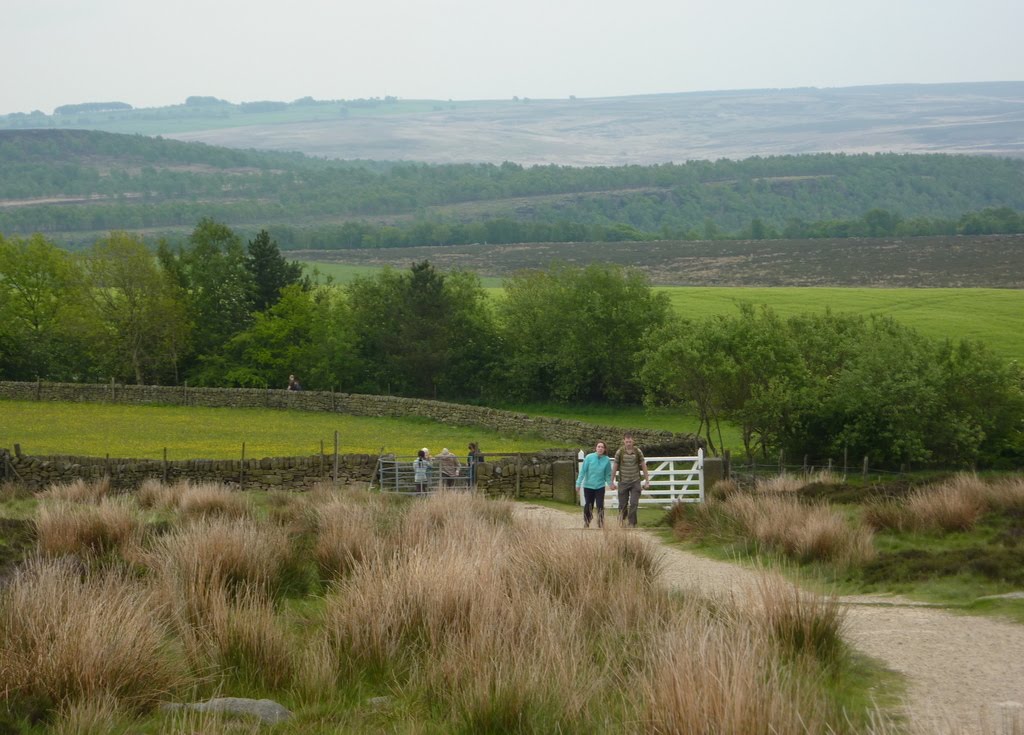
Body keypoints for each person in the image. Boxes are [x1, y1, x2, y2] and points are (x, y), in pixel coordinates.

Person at [612, 432, 650, 528]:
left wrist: (647, 480)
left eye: (630, 441)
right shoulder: (619, 452)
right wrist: (611, 481)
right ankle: (621, 521)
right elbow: (615, 467)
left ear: (633, 441)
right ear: (623, 441)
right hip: (623, 482)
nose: (628, 443)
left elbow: (643, 466)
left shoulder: (638, 451)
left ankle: (632, 523)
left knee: (634, 503)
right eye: (627, 441)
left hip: (635, 481)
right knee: (623, 505)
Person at [576, 440, 612, 529]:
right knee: (589, 505)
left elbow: (607, 474)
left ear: (604, 449)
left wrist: (611, 484)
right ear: (596, 448)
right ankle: (587, 521)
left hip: (600, 486)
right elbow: (583, 472)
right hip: (588, 486)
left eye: (602, 447)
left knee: (600, 505)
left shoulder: (607, 460)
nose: (600, 448)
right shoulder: (589, 457)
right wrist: (578, 484)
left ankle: (600, 523)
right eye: (598, 447)